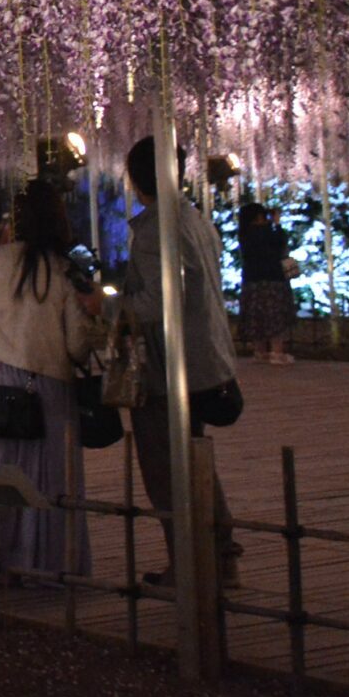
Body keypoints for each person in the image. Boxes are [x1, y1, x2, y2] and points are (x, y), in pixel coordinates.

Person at [0, 173, 101, 579]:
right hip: (49, 382)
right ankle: (42, 560)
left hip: (3, 379)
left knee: (2, 465)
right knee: (48, 475)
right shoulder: (65, 270)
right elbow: (77, 344)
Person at [119, 136, 241, 587]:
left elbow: (158, 303)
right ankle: (221, 556)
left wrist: (109, 308)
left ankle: (192, 563)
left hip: (167, 368)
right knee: (194, 460)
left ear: (135, 179)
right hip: (205, 358)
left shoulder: (155, 231)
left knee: (166, 467)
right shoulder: (195, 219)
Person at [235, 198, 297, 365]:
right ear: (258, 217)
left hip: (251, 279)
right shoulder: (269, 231)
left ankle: (259, 351)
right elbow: (280, 243)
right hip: (272, 278)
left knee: (256, 316)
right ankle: (277, 352)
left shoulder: (244, 234)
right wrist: (276, 223)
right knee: (274, 314)